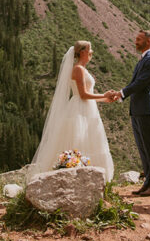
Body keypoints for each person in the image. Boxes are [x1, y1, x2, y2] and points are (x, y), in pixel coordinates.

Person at [29, 41, 114, 181]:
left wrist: (105, 99)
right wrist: (104, 96)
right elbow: (83, 95)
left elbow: (88, 95)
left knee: (90, 139)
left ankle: (93, 177)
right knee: (79, 139)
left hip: (88, 107)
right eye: (89, 49)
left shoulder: (82, 69)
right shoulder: (78, 69)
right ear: (82, 52)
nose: (91, 52)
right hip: (80, 108)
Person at [110, 31, 150, 196]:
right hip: (138, 108)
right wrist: (121, 95)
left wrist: (121, 93)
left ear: (148, 41)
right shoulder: (142, 60)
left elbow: (140, 83)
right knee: (142, 147)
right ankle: (148, 182)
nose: (135, 42)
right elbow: (135, 83)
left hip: (146, 108)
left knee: (149, 146)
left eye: (139, 39)